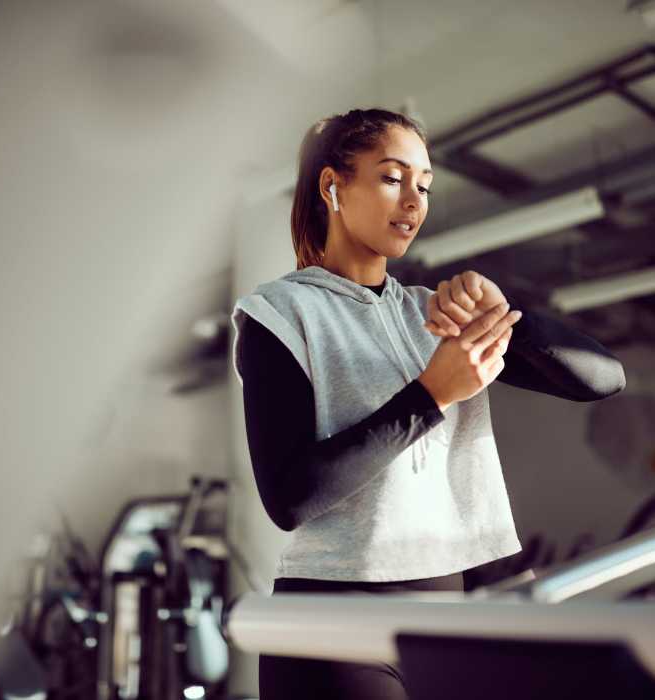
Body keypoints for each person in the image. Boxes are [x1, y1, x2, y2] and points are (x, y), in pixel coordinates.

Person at [230, 108, 626, 700]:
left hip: (455, 613)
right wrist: (432, 395)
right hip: (335, 623)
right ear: (332, 184)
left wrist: (503, 312)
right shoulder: (278, 316)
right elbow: (291, 497)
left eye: (425, 185)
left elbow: (603, 378)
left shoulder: (431, 313)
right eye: (392, 178)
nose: (414, 200)